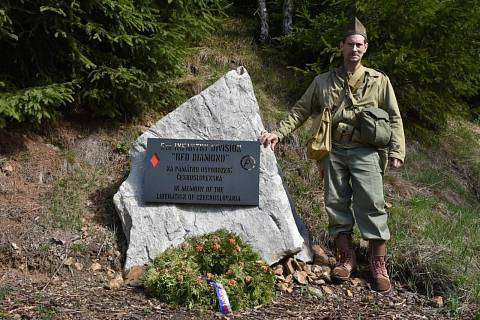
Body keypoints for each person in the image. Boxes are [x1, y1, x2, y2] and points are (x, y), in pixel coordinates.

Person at [260, 17, 405, 292]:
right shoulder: (324, 81)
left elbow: (394, 117)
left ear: (365, 48)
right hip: (333, 150)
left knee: (372, 205)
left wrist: (397, 150)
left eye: (359, 45)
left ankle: (378, 265)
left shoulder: (379, 81)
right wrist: (279, 132)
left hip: (366, 151)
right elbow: (301, 110)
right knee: (336, 203)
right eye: (350, 44)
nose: (355, 49)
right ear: (342, 46)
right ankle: (346, 259)